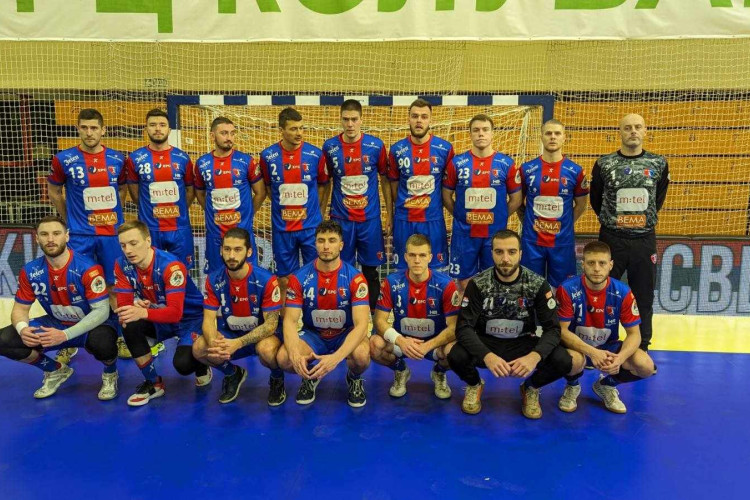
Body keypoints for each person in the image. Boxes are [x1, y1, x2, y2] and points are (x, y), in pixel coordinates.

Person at [447, 230, 572, 419]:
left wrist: (534, 356)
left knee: (563, 360)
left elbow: (553, 329)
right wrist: (487, 356)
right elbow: (464, 328)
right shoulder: (478, 284)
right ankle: (474, 384)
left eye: (511, 252)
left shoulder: (537, 284)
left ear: (520, 254)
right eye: (499, 252)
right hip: (487, 342)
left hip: (523, 342)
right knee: (455, 355)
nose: (505, 259)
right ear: (492, 254)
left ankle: (531, 387)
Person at [0, 216, 118, 400]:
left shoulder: (88, 268)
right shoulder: (30, 271)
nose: (50, 239)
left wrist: (65, 335)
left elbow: (101, 312)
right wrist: (22, 329)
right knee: (5, 339)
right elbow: (20, 310)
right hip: (55, 324)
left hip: (91, 326)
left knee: (103, 343)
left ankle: (110, 373)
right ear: (37, 238)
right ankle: (55, 370)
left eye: (56, 233)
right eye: (44, 234)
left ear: (67, 236)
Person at [47, 107, 130, 359]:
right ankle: (68, 340)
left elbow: (122, 191)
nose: (89, 132)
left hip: (111, 236)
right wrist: (68, 220)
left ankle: (121, 337)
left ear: (103, 130)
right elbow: (54, 192)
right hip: (80, 236)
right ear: (78, 129)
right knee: (73, 287)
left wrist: (113, 219)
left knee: (115, 287)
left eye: (94, 128)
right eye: (84, 127)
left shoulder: (118, 159)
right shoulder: (64, 159)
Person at [590, 113, 670, 350]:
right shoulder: (604, 164)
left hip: (644, 241)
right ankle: (601, 344)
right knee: (603, 293)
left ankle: (641, 346)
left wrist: (639, 222)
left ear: (645, 131)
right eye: (627, 128)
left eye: (637, 127)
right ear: (620, 132)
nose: (633, 131)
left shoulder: (658, 163)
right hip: (611, 240)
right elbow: (596, 200)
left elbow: (657, 199)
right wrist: (616, 222)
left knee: (644, 296)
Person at [113, 220, 209, 406]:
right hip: (159, 316)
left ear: (148, 241)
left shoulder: (171, 266)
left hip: (190, 319)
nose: (128, 250)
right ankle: (154, 383)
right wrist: (135, 306)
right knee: (128, 323)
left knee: (183, 365)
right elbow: (124, 308)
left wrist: (142, 312)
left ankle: (201, 364)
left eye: (133, 243)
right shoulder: (122, 264)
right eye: (123, 245)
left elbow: (175, 313)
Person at [276, 220, 371, 407]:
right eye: (321, 240)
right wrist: (295, 354)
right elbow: (290, 321)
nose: (326, 246)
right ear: (315, 244)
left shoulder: (355, 278)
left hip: (345, 333)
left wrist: (336, 359)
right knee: (284, 358)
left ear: (341, 245)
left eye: (332, 240)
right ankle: (310, 376)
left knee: (361, 355)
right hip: (313, 334)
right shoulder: (299, 278)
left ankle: (354, 378)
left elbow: (362, 326)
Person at [556, 240, 656, 414]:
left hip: (608, 348)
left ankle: (606, 385)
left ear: (611, 265)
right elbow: (562, 331)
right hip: (577, 348)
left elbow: (635, 334)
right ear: (582, 264)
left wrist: (620, 358)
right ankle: (572, 386)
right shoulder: (567, 289)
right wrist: (592, 352)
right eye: (591, 263)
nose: (596, 269)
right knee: (573, 361)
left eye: (602, 263)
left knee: (646, 366)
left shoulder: (623, 292)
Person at [194, 228, 285, 405]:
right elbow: (208, 320)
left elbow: (271, 325)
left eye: (237, 250)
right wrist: (214, 342)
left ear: (249, 252)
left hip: (262, 336)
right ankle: (233, 373)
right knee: (199, 348)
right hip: (231, 334)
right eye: (227, 249)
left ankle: (277, 378)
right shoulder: (213, 279)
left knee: (267, 350)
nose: (231, 256)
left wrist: (239, 343)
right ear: (221, 250)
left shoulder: (266, 280)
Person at [321, 99, 391, 311]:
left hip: (369, 220)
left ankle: (374, 319)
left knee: (371, 272)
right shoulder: (330, 147)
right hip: (341, 220)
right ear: (340, 120)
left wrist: (390, 213)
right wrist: (321, 213)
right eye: (346, 119)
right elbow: (325, 182)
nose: (350, 124)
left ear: (361, 120)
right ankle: (345, 316)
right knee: (342, 270)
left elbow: (385, 180)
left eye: (354, 119)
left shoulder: (376, 146)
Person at [370, 233, 459, 399]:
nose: (417, 260)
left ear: (430, 257)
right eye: (412, 255)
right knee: (374, 345)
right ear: (405, 257)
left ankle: (439, 372)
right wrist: (401, 341)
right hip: (402, 343)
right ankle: (401, 370)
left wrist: (427, 346)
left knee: (457, 351)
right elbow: (379, 321)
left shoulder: (446, 284)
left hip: (434, 344)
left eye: (422, 255)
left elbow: (454, 328)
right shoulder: (391, 282)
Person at [443, 114, 522, 291]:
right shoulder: (457, 163)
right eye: (476, 130)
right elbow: (446, 196)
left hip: (494, 235)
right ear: (470, 134)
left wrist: (499, 217)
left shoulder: (506, 164)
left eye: (485, 130)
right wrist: (461, 216)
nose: (481, 134)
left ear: (492, 133)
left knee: (496, 280)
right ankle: (468, 310)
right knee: (464, 283)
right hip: (464, 235)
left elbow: (516, 199)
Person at [259, 107, 327, 300]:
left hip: (310, 227)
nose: (299, 133)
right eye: (293, 129)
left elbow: (324, 185)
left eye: (301, 128)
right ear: (281, 130)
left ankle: (313, 313)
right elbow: (269, 188)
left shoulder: (315, 154)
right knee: (284, 280)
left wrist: (319, 212)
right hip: (282, 229)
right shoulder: (268, 156)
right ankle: (287, 315)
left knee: (316, 274)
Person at [519, 119, 588, 289]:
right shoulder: (526, 169)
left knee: (563, 289)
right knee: (530, 288)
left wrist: (564, 224)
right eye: (548, 133)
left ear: (564, 137)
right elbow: (518, 202)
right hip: (532, 241)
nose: (552, 137)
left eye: (557, 133)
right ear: (541, 137)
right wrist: (528, 222)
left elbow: (581, 206)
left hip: (562, 242)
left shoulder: (576, 171)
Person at [194, 116, 266, 275]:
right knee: (216, 278)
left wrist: (248, 213)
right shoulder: (202, 163)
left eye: (232, 133)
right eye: (224, 133)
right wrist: (211, 210)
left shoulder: (246, 161)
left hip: (242, 233)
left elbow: (261, 192)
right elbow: (199, 192)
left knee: (247, 276)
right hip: (215, 236)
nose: (229, 138)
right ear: (212, 136)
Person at [388, 98, 454, 270]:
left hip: (433, 220)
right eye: (415, 116)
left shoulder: (445, 149)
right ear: (408, 119)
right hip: (404, 220)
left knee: (436, 271)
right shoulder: (396, 150)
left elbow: (448, 187)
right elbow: (394, 187)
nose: (419, 120)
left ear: (430, 119)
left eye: (424, 117)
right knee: (403, 271)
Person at [126, 108, 196, 269]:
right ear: (146, 129)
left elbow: (190, 190)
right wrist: (148, 208)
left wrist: (178, 208)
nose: (158, 129)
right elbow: (134, 191)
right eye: (153, 125)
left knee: (181, 272)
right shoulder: (135, 158)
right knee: (149, 271)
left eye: (162, 125)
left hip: (179, 228)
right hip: (149, 229)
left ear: (169, 130)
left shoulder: (183, 158)